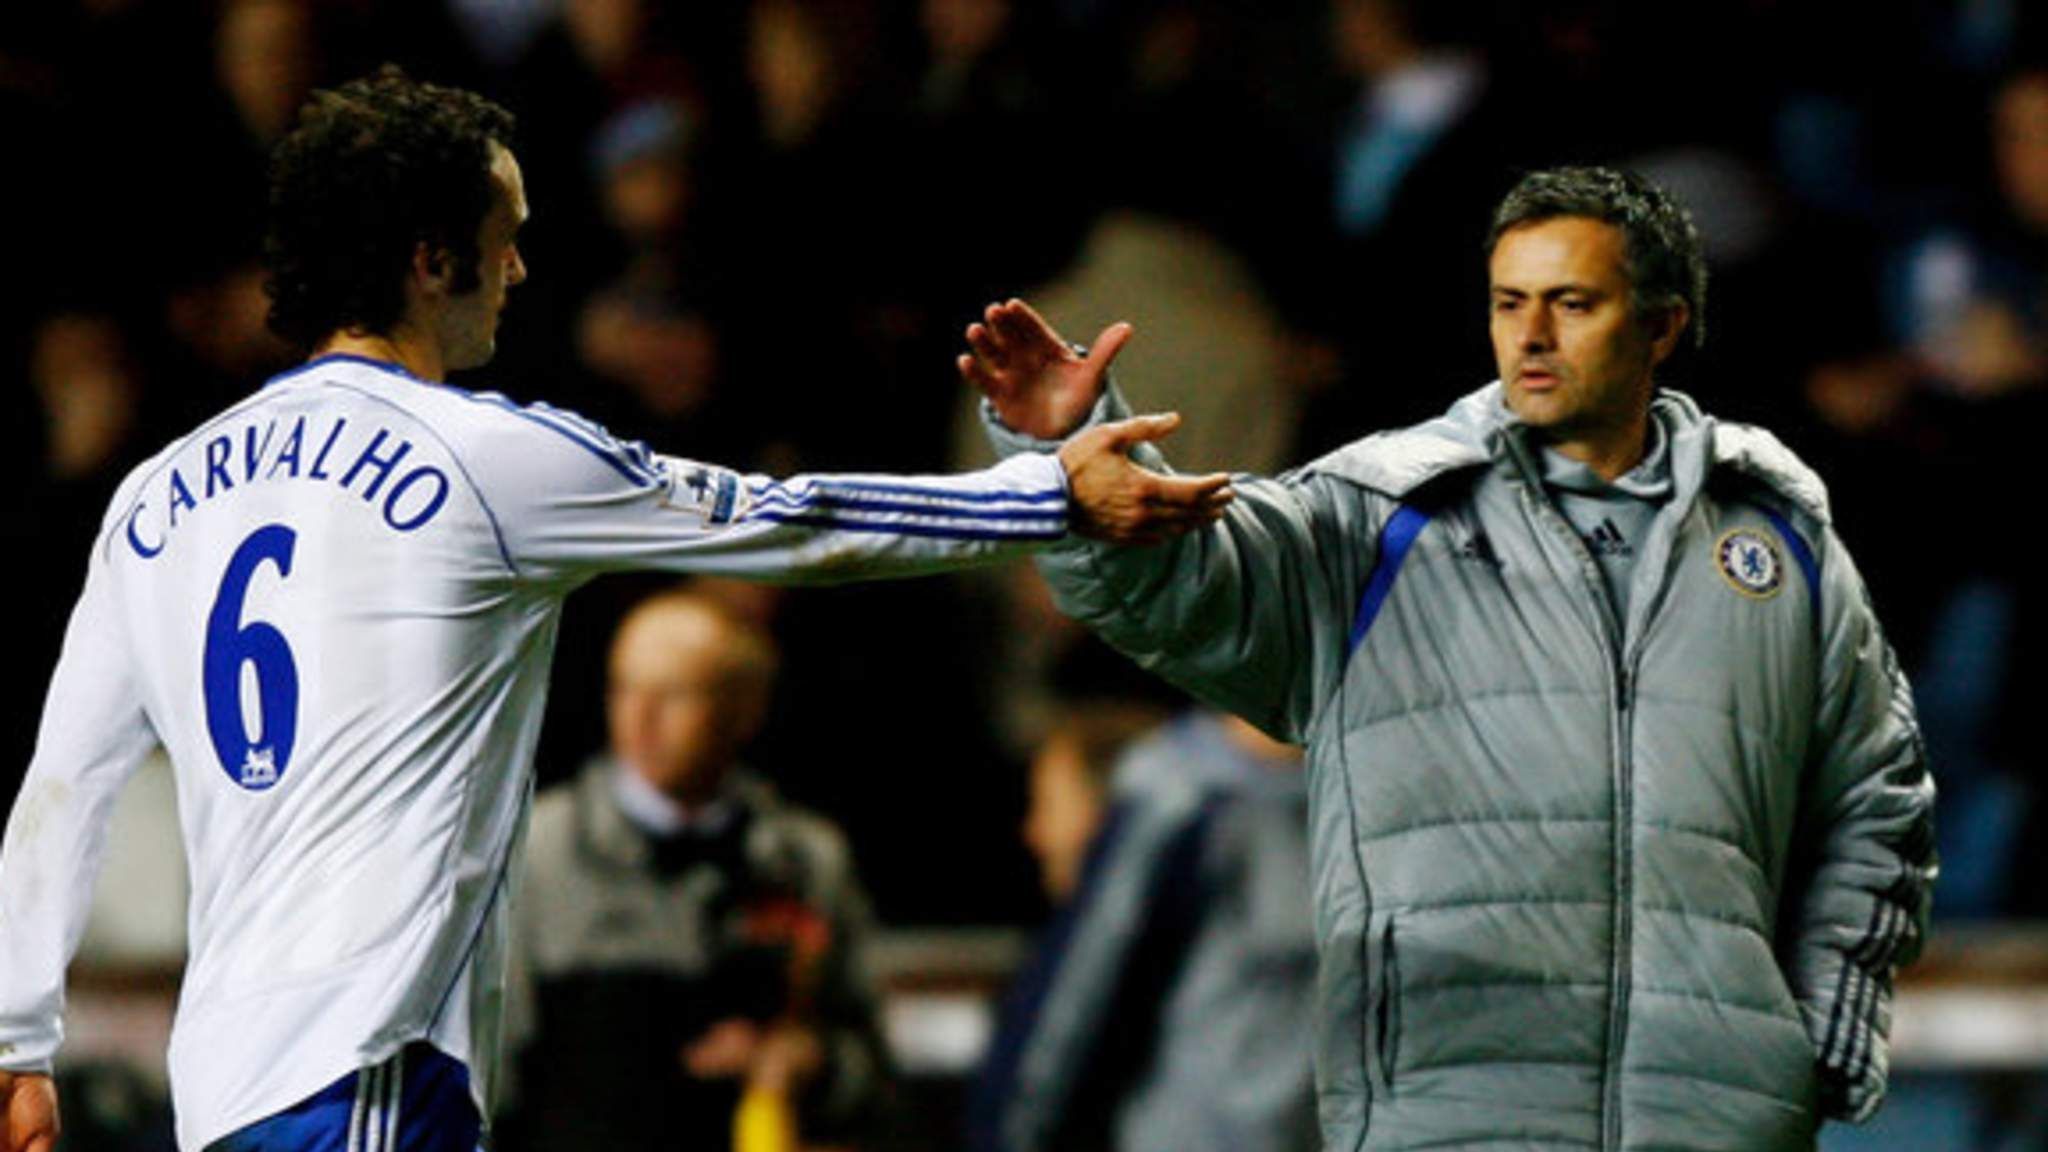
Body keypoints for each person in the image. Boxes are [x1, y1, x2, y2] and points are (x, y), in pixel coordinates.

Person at [0, 66, 1226, 1152]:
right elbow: (788, 521)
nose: (523, 267)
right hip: (366, 1066)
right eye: (505, 234)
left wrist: (20, 1045)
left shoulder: (153, 499)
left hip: (218, 1084)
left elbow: (63, 784)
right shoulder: (485, 462)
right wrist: (1049, 495)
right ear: (431, 258)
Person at [960, 166, 1937, 1150]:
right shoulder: (1383, 516)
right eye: (1509, 303)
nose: (1531, 335)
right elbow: (1192, 579)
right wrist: (1072, 440)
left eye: (1571, 303)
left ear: (1661, 327)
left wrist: (1814, 1029)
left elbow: (1875, 794)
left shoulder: (1776, 548)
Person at [499, 588, 890, 1150]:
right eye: (625, 687)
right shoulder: (541, 852)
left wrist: (811, 1063)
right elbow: (487, 1075)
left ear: (744, 709)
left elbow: (873, 1070)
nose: (641, 716)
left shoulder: (803, 860)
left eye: (675, 693)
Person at [972, 706, 1317, 1152]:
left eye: (1050, 806)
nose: (1037, 833)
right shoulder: (1381, 787)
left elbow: (1074, 1014)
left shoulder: (1181, 799)